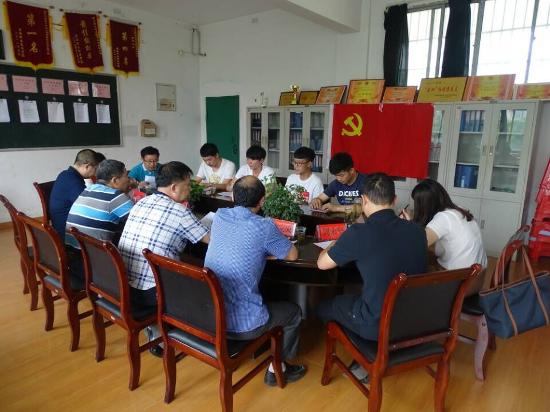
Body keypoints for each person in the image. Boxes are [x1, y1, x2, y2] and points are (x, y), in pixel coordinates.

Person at [317, 173, 427, 382]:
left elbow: (322, 264)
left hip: (378, 324)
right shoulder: (418, 230)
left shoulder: (358, 233)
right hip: (414, 319)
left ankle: (367, 355)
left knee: (324, 308)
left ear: (364, 200)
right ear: (394, 200)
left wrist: (335, 242)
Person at [204, 176, 307, 386]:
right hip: (243, 324)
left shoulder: (220, 215)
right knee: (294, 312)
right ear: (262, 201)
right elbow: (292, 255)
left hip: (209, 315)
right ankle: (277, 368)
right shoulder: (265, 226)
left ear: (233, 196)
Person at [118, 161, 210, 356]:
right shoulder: (180, 211)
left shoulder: (141, 202)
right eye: (188, 185)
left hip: (124, 284)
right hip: (152, 292)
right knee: (205, 279)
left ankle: (157, 328)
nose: (189, 189)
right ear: (174, 187)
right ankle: (189, 334)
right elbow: (210, 240)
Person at [403, 179, 488, 293]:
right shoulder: (457, 209)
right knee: (429, 256)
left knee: (415, 263)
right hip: (478, 277)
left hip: (463, 284)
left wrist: (407, 224)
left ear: (424, 205)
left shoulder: (443, 218)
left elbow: (416, 245)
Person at [66, 159, 133, 249]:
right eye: (126, 176)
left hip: (72, 249)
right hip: (95, 254)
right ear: (115, 180)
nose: (128, 180)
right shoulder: (115, 196)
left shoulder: (88, 189)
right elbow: (138, 221)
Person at [50, 149, 99, 240]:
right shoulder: (74, 181)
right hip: (67, 232)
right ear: (87, 166)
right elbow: (88, 207)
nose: (95, 173)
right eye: (95, 169)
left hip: (61, 225)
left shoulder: (65, 174)